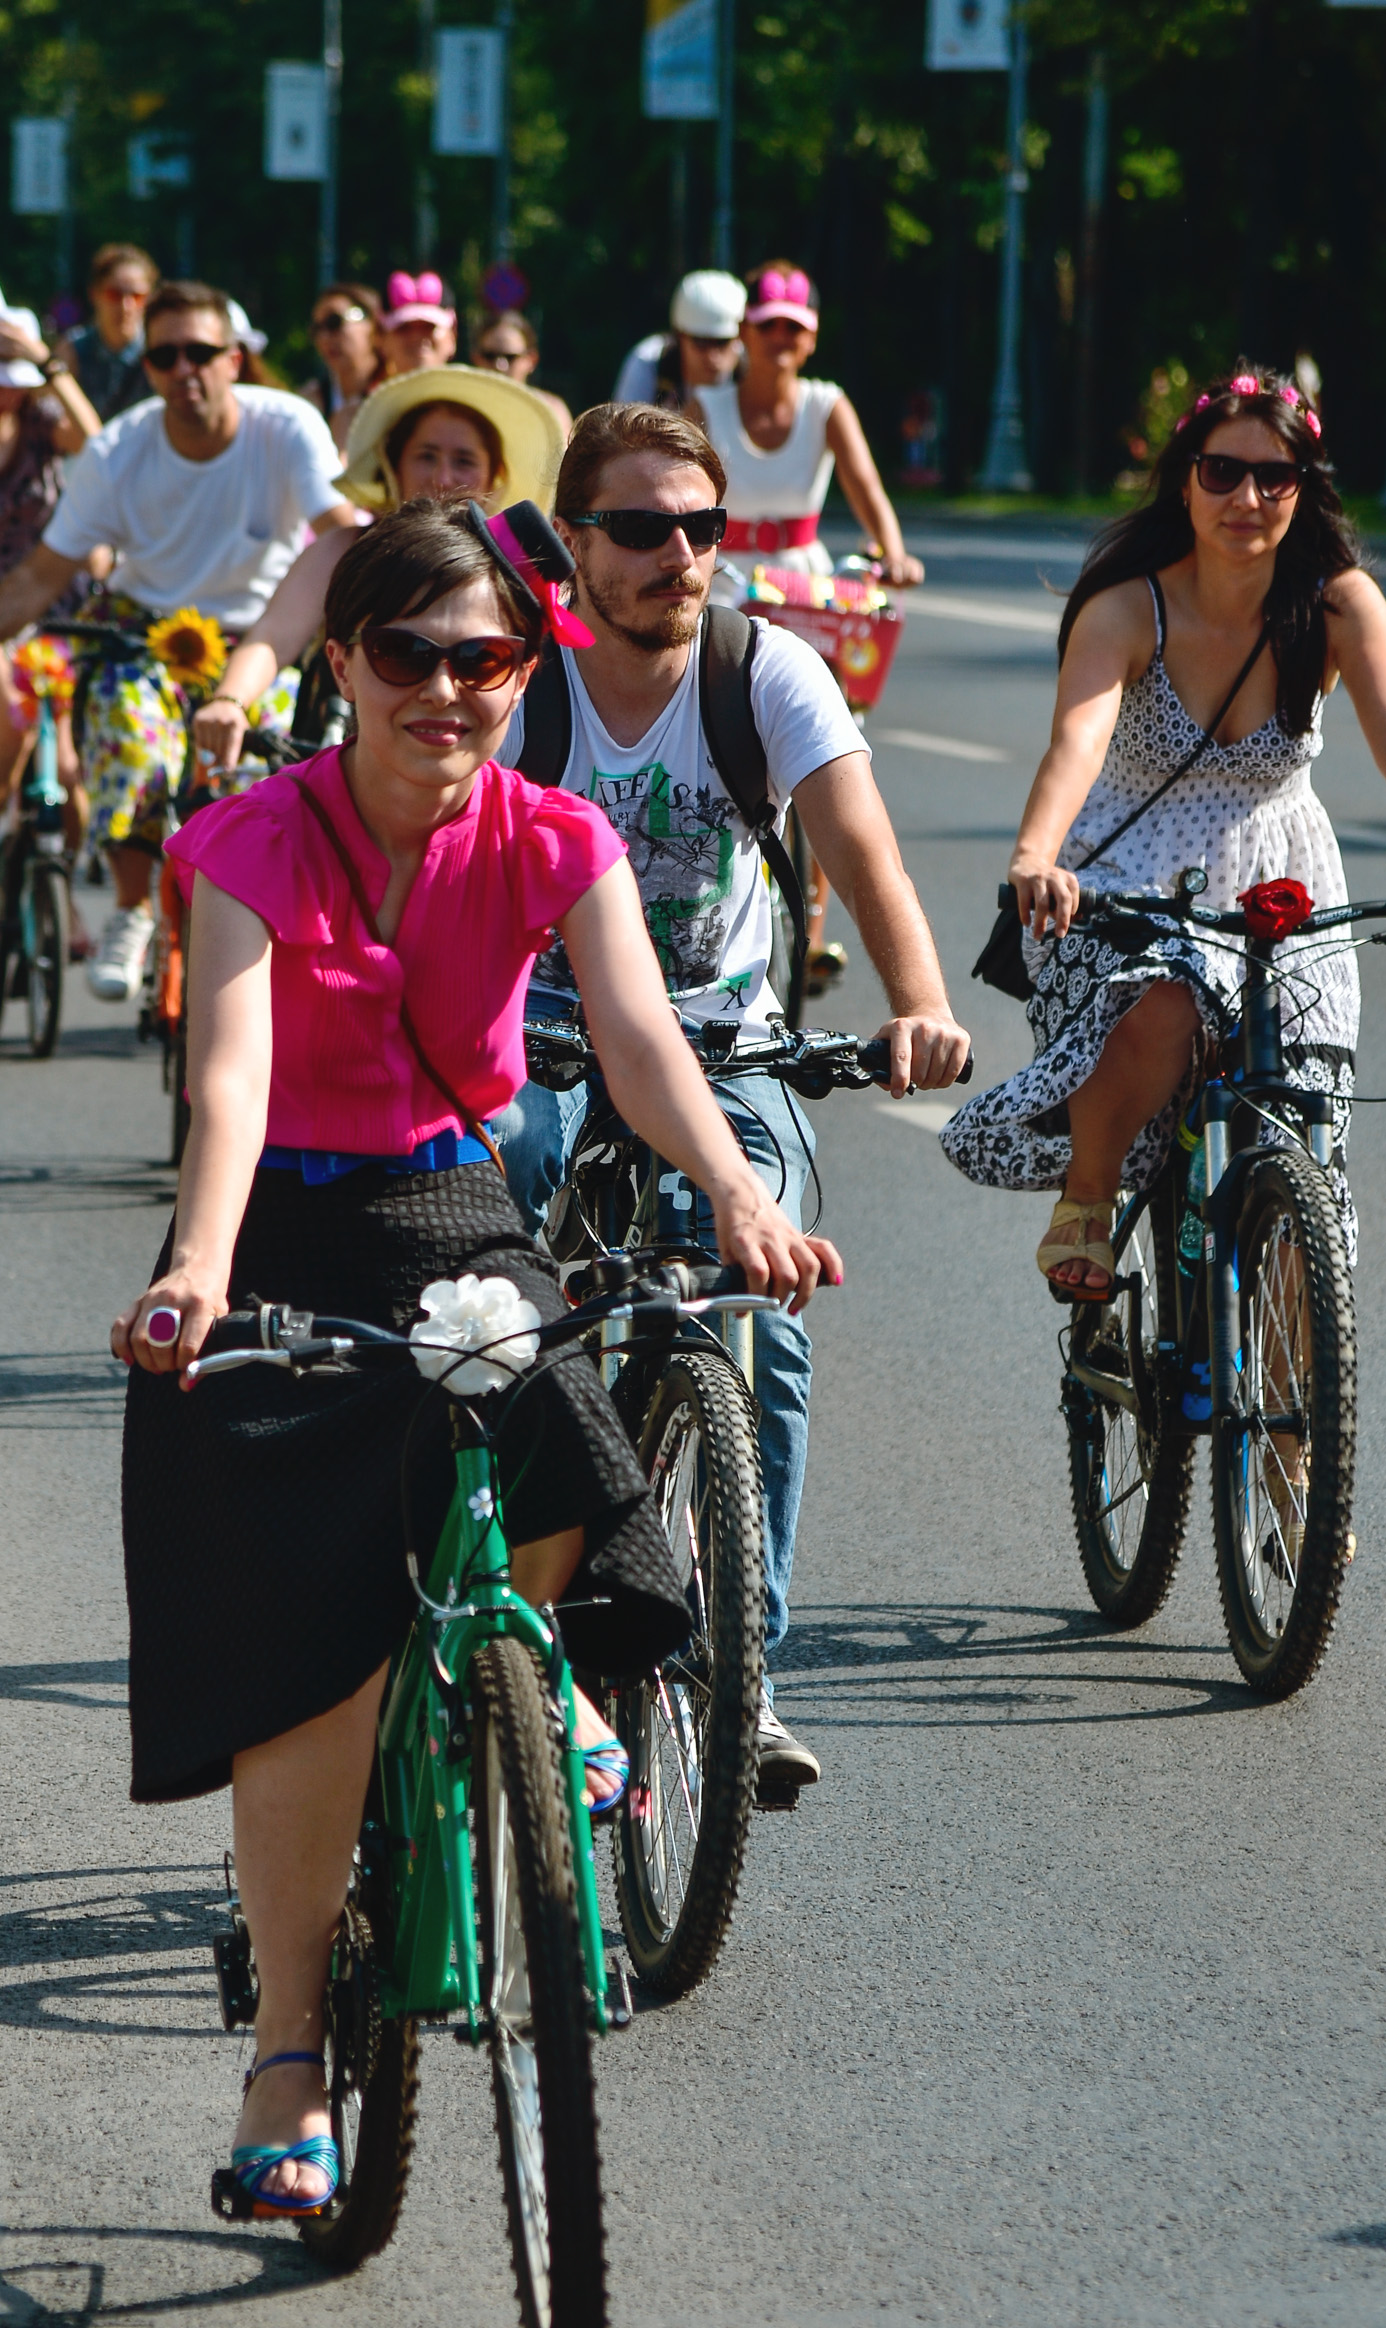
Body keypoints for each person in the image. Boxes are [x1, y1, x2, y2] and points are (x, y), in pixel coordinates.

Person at [111, 494, 838, 2213]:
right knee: (315, 1680)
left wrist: (735, 1187)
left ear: (530, 665)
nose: (450, 688)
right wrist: (197, 1269)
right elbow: (225, 1079)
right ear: (348, 662)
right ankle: (291, 2052)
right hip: (276, 1239)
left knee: (574, 1430)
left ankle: (555, 1691)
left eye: (489, 657)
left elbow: (648, 1046)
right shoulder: (241, 841)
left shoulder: (554, 835)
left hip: (454, 1220)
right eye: (412, 655)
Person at [493, 401, 970, 1792]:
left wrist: (920, 1000)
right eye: (639, 529)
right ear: (572, 544)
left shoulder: (764, 672)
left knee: (763, 1312)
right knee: (492, 1282)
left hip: (721, 1044)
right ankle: (476, 1590)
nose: (679, 555)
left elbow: (860, 842)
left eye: (700, 527)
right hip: (538, 1038)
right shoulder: (520, 681)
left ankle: (734, 1668)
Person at [941, 363, 1386, 1318]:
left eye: (1276, 477)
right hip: (1123, 879)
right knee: (1163, 1001)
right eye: (1222, 471)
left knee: (1301, 1137)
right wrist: (1035, 858)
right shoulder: (1126, 607)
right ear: (1185, 477)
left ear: (1304, 491)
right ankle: (1090, 1199)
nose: (1247, 497)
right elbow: (1075, 745)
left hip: (1283, 883)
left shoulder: (1340, 605)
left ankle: (1297, 1442)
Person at [0, 279, 354, 1000]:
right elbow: (41, 577)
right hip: (145, 638)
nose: (185, 368)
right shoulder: (117, 449)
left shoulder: (286, 427)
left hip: (260, 642)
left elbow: (341, 533)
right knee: (129, 735)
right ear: (151, 368)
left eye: (202, 350)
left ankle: (262, 931)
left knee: (274, 771)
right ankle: (131, 910)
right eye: (166, 355)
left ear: (234, 358)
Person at [694, 261, 925, 991]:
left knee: (824, 748)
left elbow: (866, 487)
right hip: (727, 575)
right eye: (768, 329)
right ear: (747, 334)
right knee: (708, 724)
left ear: (812, 338)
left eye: (794, 330)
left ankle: (813, 929)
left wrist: (892, 551)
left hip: (805, 585)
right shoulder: (706, 403)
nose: (780, 342)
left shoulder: (828, 406)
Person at [195, 365, 564, 772]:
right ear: (394, 465)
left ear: (495, 476)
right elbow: (273, 636)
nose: (443, 478)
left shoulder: (511, 570)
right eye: (426, 456)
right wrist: (230, 701)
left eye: (463, 461)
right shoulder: (345, 549)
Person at [0, 299, 102, 843]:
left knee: (67, 769)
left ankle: (58, 895)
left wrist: (46, 362)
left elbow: (97, 442)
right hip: (3, 612)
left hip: (53, 605)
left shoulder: (40, 423)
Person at [613, 269, 746, 413]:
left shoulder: (749, 368)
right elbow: (623, 430)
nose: (712, 356)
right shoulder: (649, 363)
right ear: (679, 336)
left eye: (722, 342)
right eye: (701, 342)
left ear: (739, 338)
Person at [58, 243, 158, 423]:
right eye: (114, 294)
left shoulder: (161, 353)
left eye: (137, 296)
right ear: (94, 295)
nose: (125, 306)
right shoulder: (73, 351)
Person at [298, 282, 385, 454]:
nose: (324, 337)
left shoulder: (397, 395)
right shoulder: (309, 404)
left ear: (374, 324)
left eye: (334, 322)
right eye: (316, 329)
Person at [470, 309, 572, 438]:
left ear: (531, 360)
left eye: (510, 357)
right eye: (490, 356)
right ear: (476, 358)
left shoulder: (552, 412)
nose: (500, 366)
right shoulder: (463, 410)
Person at [379, 271, 457, 379]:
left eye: (429, 326)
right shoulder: (372, 396)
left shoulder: (476, 394)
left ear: (452, 336)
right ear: (383, 340)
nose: (416, 336)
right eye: (404, 328)